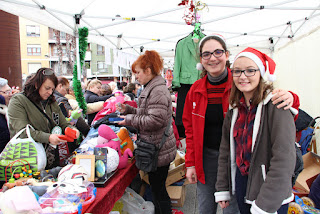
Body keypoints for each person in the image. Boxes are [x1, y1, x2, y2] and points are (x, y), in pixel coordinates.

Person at [182, 35, 300, 214]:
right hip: (209, 160)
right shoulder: (200, 91)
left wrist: (292, 97)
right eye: (206, 54)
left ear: (227, 55)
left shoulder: (241, 86)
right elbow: (190, 129)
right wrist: (190, 163)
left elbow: (283, 155)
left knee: (233, 210)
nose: (212, 58)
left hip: (247, 168)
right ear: (201, 60)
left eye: (218, 52)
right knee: (206, 206)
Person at [215, 47, 296, 213]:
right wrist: (223, 187)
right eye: (237, 71)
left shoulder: (276, 105)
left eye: (250, 70)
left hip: (271, 190)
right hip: (243, 184)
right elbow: (225, 151)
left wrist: (266, 203)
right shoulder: (234, 109)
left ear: (261, 74)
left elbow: (284, 160)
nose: (242, 76)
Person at [116, 50, 176, 214]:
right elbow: (146, 112)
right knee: (157, 188)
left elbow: (154, 121)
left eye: (138, 73)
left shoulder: (157, 90)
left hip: (159, 149)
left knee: (158, 190)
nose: (137, 77)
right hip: (158, 147)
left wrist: (128, 119)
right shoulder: (152, 87)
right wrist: (128, 109)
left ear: (148, 70)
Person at [8, 68, 80, 169]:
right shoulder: (18, 101)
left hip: (50, 159)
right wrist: (48, 137)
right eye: (47, 88)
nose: (50, 92)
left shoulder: (51, 101)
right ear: (37, 84)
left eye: (52, 89)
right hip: (27, 161)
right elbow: (23, 131)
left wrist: (71, 129)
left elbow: (63, 123)